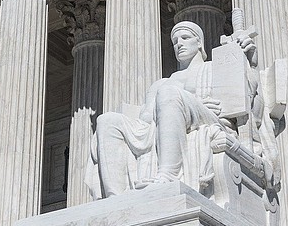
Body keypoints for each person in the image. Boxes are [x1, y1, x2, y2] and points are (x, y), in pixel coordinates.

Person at [93, 20, 252, 197]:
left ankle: (169, 174)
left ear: (199, 42)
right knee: (106, 120)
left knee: (169, 94)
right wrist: (189, 101)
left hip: (209, 119)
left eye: (185, 38)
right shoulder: (163, 83)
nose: (179, 44)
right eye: (175, 41)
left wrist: (247, 59)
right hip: (160, 124)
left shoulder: (213, 69)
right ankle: (115, 196)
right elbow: (145, 118)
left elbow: (248, 97)